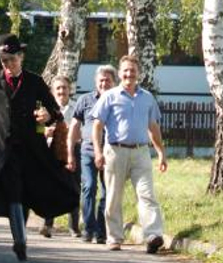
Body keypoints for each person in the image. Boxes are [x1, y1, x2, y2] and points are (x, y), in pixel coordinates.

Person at [0, 33, 68, 262]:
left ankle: (25, 234)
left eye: (12, 60)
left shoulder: (35, 82)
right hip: (0, 148)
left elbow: (55, 111)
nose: (8, 65)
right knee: (14, 191)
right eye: (4, 61)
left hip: (30, 149)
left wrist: (47, 116)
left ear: (21, 57)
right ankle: (20, 239)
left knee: (25, 192)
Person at [91, 55, 167, 253]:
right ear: (119, 73)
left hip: (141, 152)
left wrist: (161, 152)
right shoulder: (110, 96)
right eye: (125, 70)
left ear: (138, 73)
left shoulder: (147, 98)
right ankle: (114, 237)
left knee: (147, 194)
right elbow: (97, 126)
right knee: (114, 196)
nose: (129, 74)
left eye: (132, 70)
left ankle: (152, 236)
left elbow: (153, 127)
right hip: (115, 152)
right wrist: (98, 152)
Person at [66, 65, 118, 244]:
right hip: (87, 151)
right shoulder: (85, 100)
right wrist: (70, 154)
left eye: (108, 80)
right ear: (96, 82)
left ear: (114, 82)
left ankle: (101, 231)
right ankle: (89, 228)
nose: (104, 83)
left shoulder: (118, 100)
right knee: (88, 187)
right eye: (101, 80)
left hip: (111, 153)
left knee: (107, 192)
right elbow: (73, 127)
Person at [40, 75, 82, 238]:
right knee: (50, 186)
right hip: (51, 151)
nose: (61, 91)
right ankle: (47, 225)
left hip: (73, 151)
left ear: (69, 90)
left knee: (73, 187)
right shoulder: (45, 109)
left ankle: (74, 227)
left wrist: (73, 132)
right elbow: (36, 130)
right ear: (52, 91)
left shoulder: (77, 107)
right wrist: (45, 131)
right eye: (58, 88)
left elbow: (82, 129)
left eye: (64, 87)